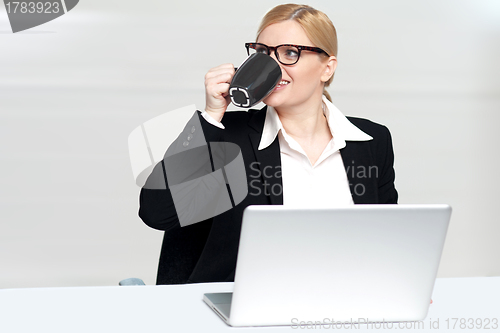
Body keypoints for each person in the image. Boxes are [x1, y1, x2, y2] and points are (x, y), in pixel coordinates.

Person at [139, 3, 398, 285]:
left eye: (289, 53)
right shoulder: (225, 135)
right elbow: (158, 212)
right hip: (237, 314)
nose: (271, 67)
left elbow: (384, 241)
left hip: (339, 305)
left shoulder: (371, 140)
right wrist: (211, 116)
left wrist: (400, 282)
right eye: (263, 53)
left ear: (327, 68)